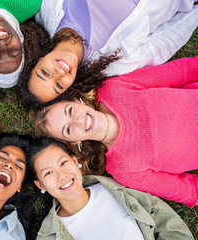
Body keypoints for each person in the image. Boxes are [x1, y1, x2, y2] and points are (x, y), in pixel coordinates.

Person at [34, 56, 198, 207]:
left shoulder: (113, 89)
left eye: (69, 111)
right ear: (73, 142)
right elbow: (188, 192)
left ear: (77, 101)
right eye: (68, 129)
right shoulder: (123, 170)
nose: (77, 120)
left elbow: (180, 71)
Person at [17, 0, 198, 109]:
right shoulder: (114, 63)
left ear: (37, 59)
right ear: (68, 88)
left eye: (45, 73)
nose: (58, 74)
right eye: (58, 85)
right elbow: (165, 40)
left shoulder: (49, 10)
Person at [25, 137, 194, 240]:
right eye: (48, 173)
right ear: (40, 185)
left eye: (63, 163)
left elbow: (167, 223)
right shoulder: (50, 235)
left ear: (75, 161)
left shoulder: (116, 190)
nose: (62, 175)